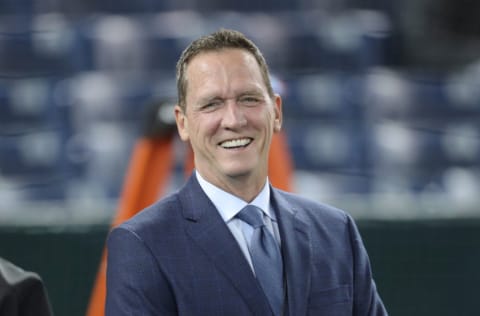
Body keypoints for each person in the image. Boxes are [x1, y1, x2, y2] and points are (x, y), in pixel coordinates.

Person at [105, 28, 387, 316]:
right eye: (212, 104)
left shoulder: (336, 231)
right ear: (183, 123)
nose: (234, 120)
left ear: (276, 112)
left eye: (249, 99)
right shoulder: (142, 245)